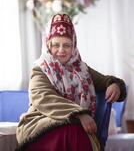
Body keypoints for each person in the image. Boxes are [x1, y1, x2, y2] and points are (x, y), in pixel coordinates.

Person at [16, 13, 126, 151]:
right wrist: (79, 113)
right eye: (56, 45)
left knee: (75, 131)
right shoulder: (41, 69)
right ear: (48, 44)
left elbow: (105, 80)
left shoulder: (81, 69)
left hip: (74, 125)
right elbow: (45, 98)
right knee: (73, 132)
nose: (61, 50)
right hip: (41, 124)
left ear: (74, 45)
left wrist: (115, 84)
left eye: (67, 45)